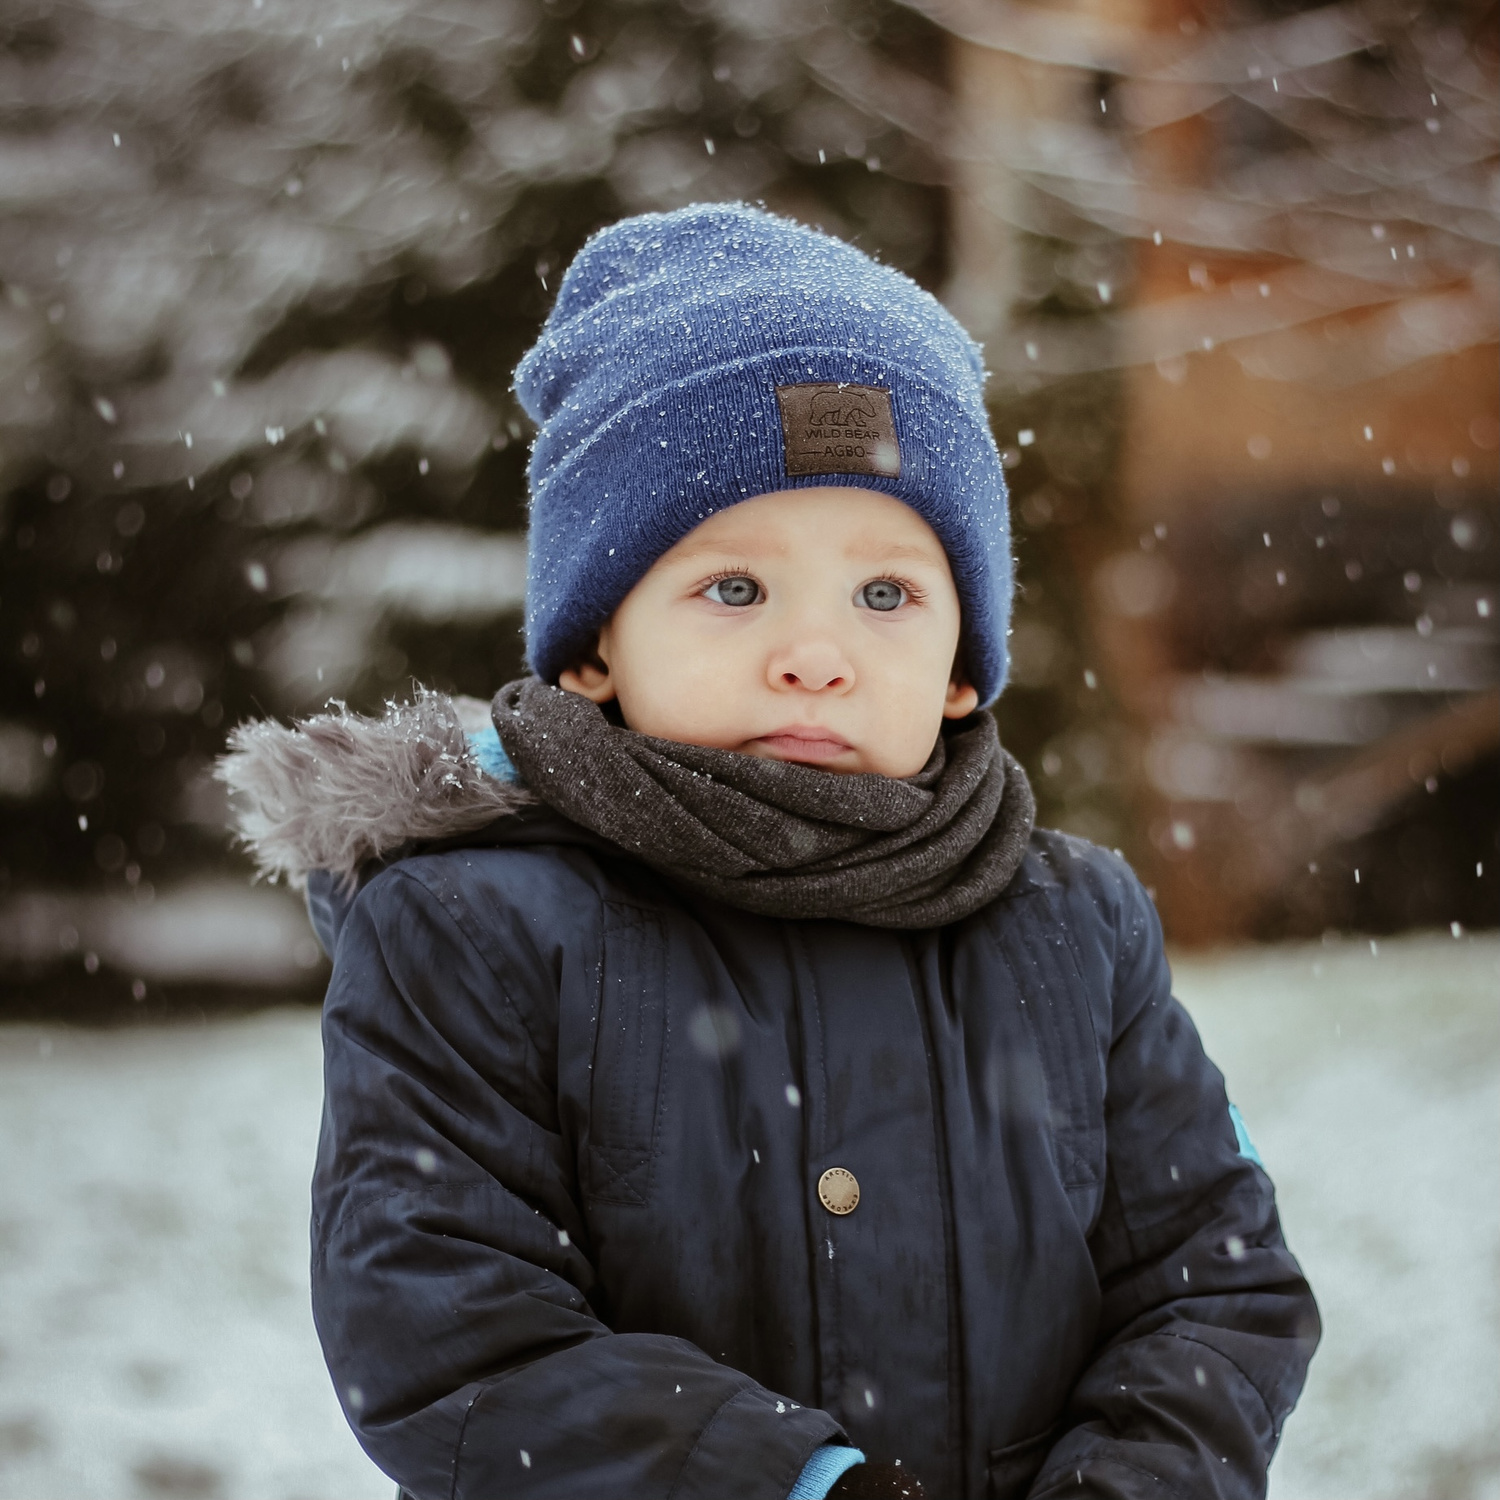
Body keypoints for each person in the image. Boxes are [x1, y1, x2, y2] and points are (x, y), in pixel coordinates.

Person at [220, 203, 1318, 1500]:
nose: (818, 650)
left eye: (888, 593)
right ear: (593, 650)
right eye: (735, 588)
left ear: (963, 666)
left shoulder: (1074, 931)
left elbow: (1215, 1284)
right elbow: (445, 1332)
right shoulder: (470, 934)